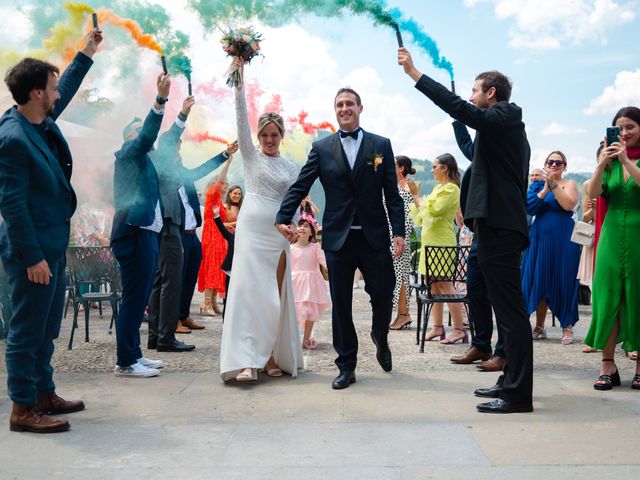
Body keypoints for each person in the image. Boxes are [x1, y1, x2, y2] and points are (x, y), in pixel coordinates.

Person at [399, 49, 532, 413]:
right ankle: (509, 381)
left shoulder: (506, 115)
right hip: (495, 225)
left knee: (511, 311)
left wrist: (415, 74)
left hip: (502, 226)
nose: (471, 96)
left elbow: (463, 109)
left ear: (491, 93)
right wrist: (460, 118)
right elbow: (470, 143)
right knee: (504, 309)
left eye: (476, 90)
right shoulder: (497, 129)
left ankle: (518, 394)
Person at [0, 28, 102, 433]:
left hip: (52, 245)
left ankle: (44, 392)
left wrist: (88, 52)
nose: (58, 92)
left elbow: (69, 88)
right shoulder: (12, 139)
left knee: (46, 329)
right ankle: (23, 408)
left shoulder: (38, 122)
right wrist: (33, 257)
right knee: (26, 332)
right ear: (36, 93)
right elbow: (11, 205)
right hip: (34, 252)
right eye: (52, 87)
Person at [276, 86, 405, 390]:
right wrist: (283, 217)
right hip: (338, 239)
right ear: (335, 111)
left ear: (361, 108)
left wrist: (398, 231)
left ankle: (380, 336)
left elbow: (393, 195)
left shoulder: (380, 145)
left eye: (350, 104)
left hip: (374, 237)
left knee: (384, 294)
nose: (344, 108)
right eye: (339, 105)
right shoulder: (322, 148)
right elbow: (300, 184)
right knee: (342, 304)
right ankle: (346, 364)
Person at [219, 59, 303, 382]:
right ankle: (245, 362)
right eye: (264, 135)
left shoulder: (291, 167)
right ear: (258, 137)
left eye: (274, 135)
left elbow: (292, 203)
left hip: (279, 236)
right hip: (252, 234)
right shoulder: (251, 157)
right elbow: (241, 115)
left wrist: (294, 226)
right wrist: (239, 75)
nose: (269, 139)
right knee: (247, 293)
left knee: (275, 295)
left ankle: (269, 356)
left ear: (281, 136)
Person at [148, 97, 237, 351]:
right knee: (170, 282)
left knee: (160, 282)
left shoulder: (175, 169)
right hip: (169, 225)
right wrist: (182, 114)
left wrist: (224, 155)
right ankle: (166, 337)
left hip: (168, 227)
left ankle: (156, 336)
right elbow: (168, 140)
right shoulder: (162, 161)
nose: (178, 149)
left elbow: (198, 171)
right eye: (175, 146)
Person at [110, 73, 172, 379]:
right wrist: (160, 101)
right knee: (134, 298)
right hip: (133, 234)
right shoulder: (129, 153)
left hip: (145, 233)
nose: (146, 136)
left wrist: (183, 115)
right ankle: (125, 362)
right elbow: (148, 134)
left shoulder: (145, 160)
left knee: (140, 296)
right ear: (128, 138)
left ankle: (133, 354)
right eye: (138, 132)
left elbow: (158, 140)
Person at [584, 106, 640, 391]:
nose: (625, 132)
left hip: (638, 237)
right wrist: (601, 163)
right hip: (610, 236)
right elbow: (593, 194)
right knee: (607, 299)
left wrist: (626, 160)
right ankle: (608, 365)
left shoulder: (631, 160)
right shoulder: (610, 162)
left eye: (630, 126)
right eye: (620, 128)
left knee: (638, 299)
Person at [448, 121, 506, 371]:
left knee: (500, 296)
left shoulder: (498, 151)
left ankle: (504, 351)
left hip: (499, 229)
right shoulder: (480, 158)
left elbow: (468, 147)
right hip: (479, 231)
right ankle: (481, 344)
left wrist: (459, 121)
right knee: (475, 289)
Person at [521, 151, 580, 345]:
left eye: (559, 162)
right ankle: (539, 326)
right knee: (539, 278)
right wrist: (545, 188)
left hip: (564, 240)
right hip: (540, 239)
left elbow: (568, 205)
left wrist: (554, 185)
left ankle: (567, 326)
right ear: (545, 165)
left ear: (564, 166)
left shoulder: (569, 184)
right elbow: (530, 208)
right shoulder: (538, 185)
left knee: (564, 279)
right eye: (550, 162)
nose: (554, 165)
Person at [410, 153, 467, 344]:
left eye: (435, 166)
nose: (432, 170)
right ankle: (437, 327)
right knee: (433, 284)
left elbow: (433, 210)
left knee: (445, 284)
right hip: (430, 241)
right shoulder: (437, 188)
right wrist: (418, 199)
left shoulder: (451, 189)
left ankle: (459, 329)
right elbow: (422, 213)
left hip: (442, 242)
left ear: (445, 167)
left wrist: (416, 196)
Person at [291, 218, 331, 349]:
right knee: (295, 311)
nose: (302, 228)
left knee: (309, 311)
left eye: (306, 226)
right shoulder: (290, 248)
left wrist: (331, 269)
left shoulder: (315, 247)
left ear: (311, 232)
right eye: (300, 225)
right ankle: (293, 338)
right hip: (295, 282)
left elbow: (324, 261)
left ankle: (306, 339)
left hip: (311, 283)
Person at [197, 160, 232, 316]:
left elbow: (221, 222)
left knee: (217, 267)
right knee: (211, 267)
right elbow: (220, 179)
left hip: (219, 236)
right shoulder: (212, 195)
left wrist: (230, 225)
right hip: (211, 237)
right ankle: (206, 303)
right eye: (224, 184)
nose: (226, 186)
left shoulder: (219, 201)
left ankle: (213, 302)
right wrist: (227, 162)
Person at [388, 155, 417, 331]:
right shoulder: (394, 186)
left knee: (400, 276)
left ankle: (404, 314)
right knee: (396, 276)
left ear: (401, 168)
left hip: (398, 238)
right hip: (392, 236)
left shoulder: (406, 187)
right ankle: (401, 313)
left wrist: (400, 239)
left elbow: (408, 216)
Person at [212, 205, 234, 320]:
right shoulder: (232, 237)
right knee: (227, 299)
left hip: (243, 273)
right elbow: (222, 229)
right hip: (231, 272)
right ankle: (226, 322)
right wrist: (217, 216)